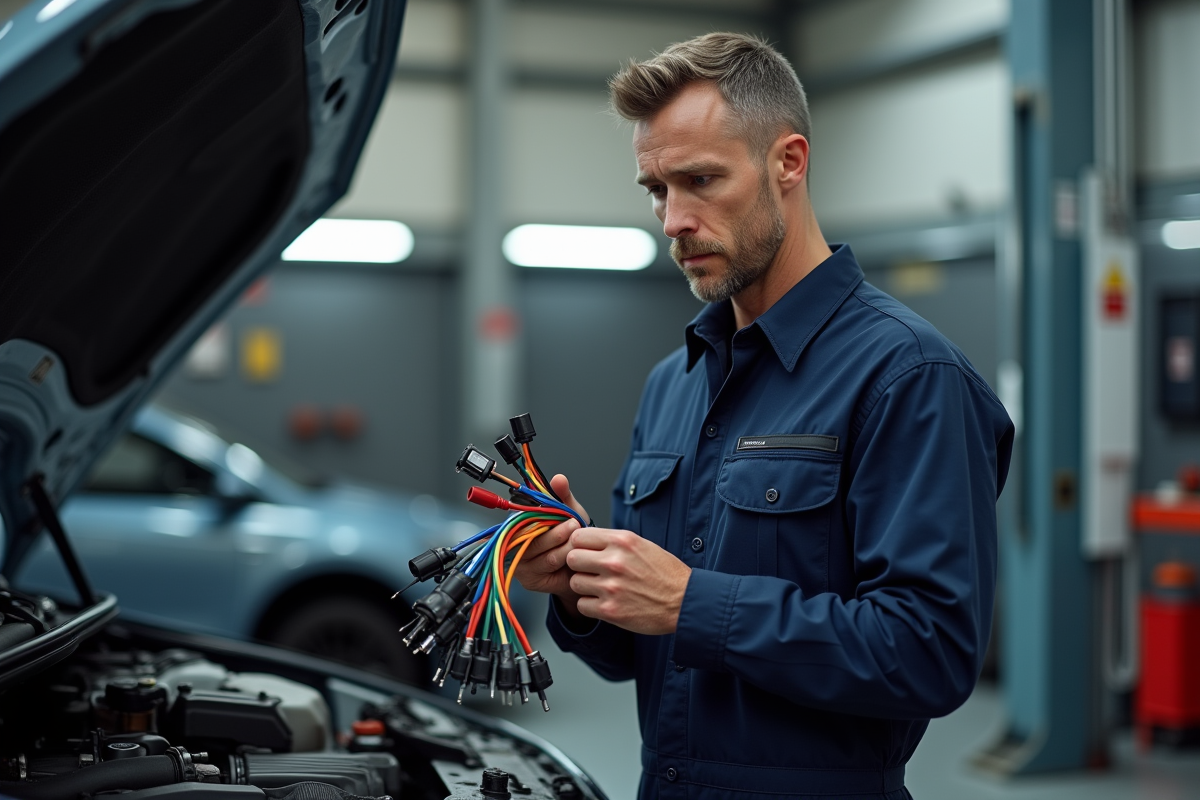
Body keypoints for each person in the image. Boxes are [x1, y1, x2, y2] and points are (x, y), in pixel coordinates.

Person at [513, 32, 1014, 800]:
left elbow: (930, 654)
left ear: (788, 162)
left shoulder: (909, 377)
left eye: (701, 179)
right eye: (656, 189)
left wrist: (692, 603)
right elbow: (634, 655)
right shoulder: (673, 383)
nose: (673, 219)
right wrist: (581, 587)